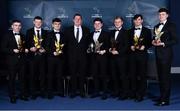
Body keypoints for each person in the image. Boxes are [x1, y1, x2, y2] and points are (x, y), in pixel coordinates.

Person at [152, 8, 178, 106]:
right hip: (158, 55)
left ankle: (165, 100)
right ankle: (162, 96)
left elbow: (175, 40)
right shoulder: (156, 26)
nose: (161, 16)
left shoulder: (171, 26)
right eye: (159, 14)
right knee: (161, 77)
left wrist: (163, 43)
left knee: (165, 77)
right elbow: (154, 38)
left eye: (163, 14)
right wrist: (153, 41)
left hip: (166, 55)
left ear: (167, 15)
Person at [1, 20, 29, 103]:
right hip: (12, 61)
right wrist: (13, 50)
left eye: (19, 25)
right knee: (12, 79)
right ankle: (12, 96)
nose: (18, 27)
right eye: (16, 25)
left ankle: (22, 94)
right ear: (12, 26)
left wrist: (26, 49)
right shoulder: (7, 36)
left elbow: (25, 47)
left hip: (22, 61)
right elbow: (3, 48)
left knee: (22, 79)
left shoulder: (23, 36)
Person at [64, 13, 90, 98]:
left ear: (81, 20)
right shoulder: (68, 30)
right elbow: (65, 45)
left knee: (82, 74)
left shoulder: (86, 30)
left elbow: (88, 44)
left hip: (83, 57)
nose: (78, 20)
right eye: (76, 19)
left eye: (79, 19)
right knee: (73, 74)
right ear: (73, 20)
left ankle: (82, 91)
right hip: (72, 57)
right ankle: (73, 91)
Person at [128, 14, 152, 102]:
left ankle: (141, 93)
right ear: (133, 21)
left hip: (142, 56)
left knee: (142, 75)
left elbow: (150, 42)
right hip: (132, 56)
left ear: (142, 21)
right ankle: (133, 92)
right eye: (135, 20)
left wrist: (144, 47)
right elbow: (127, 43)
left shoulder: (147, 31)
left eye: (139, 20)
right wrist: (130, 46)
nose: (137, 21)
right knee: (133, 75)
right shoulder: (129, 31)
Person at [26, 16, 47, 99]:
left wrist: (44, 50)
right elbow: (26, 43)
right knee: (32, 75)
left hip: (42, 57)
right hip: (32, 57)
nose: (38, 23)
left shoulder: (45, 32)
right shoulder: (29, 31)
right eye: (36, 22)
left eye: (40, 22)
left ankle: (42, 92)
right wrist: (30, 48)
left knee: (42, 75)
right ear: (33, 22)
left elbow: (48, 44)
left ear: (41, 23)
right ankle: (33, 92)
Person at [88, 18, 109, 100]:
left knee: (103, 75)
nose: (97, 25)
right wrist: (89, 50)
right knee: (95, 75)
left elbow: (109, 46)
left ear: (102, 24)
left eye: (98, 23)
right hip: (93, 58)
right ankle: (96, 91)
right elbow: (89, 46)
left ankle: (104, 92)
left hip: (103, 57)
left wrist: (105, 51)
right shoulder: (90, 34)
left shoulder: (106, 34)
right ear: (93, 25)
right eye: (95, 24)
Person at [109, 16, 129, 100]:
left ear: (122, 23)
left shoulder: (126, 32)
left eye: (119, 22)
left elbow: (127, 46)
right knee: (114, 76)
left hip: (122, 58)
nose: (117, 23)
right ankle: (116, 92)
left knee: (123, 76)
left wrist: (118, 52)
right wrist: (109, 49)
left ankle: (125, 93)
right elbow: (109, 44)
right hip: (113, 58)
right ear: (114, 23)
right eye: (116, 22)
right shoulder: (111, 32)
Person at [45, 18, 65, 99]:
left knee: (59, 75)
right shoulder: (48, 34)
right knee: (50, 75)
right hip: (51, 58)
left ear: (60, 25)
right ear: (52, 25)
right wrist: (53, 52)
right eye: (56, 24)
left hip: (60, 59)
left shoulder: (63, 35)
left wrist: (62, 52)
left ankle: (60, 91)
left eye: (59, 24)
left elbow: (65, 47)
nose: (57, 25)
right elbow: (46, 47)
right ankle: (50, 92)